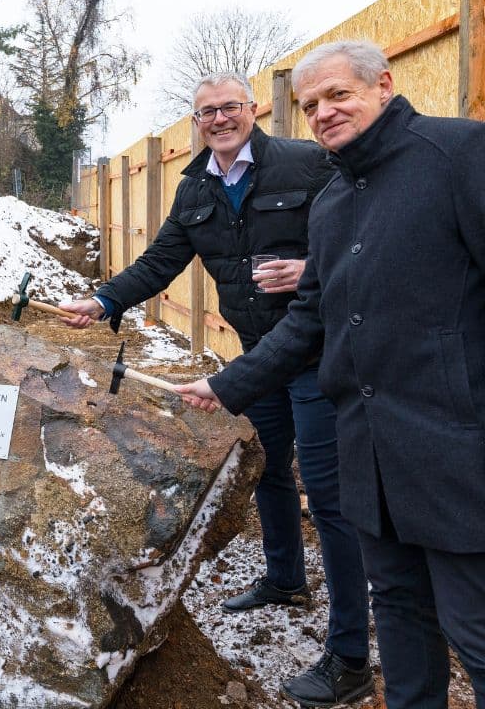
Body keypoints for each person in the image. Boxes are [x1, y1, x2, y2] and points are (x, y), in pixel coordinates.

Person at [176, 40, 485, 709]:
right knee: (401, 622)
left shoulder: (458, 154)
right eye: (311, 104)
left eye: (338, 95)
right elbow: (309, 319)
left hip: (457, 453)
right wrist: (226, 385)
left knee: (475, 631)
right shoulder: (334, 196)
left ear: (383, 85)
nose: (324, 112)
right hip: (370, 452)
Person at [59, 72, 372, 707]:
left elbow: (367, 236)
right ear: (196, 121)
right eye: (206, 113)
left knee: (330, 495)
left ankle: (350, 655)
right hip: (258, 356)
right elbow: (161, 259)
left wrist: (313, 269)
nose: (219, 120)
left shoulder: (308, 164)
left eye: (229, 107)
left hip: (316, 355)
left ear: (252, 108)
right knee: (269, 471)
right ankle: (285, 579)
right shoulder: (196, 185)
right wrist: (101, 300)